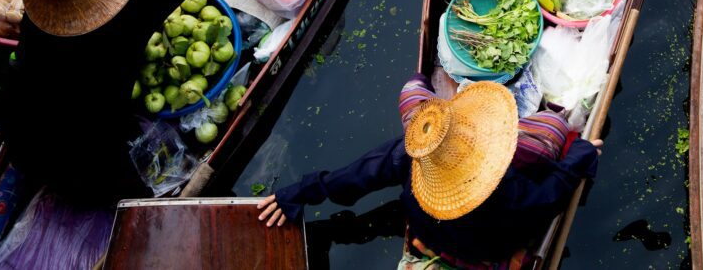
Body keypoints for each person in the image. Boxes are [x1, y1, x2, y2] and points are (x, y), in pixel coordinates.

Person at [1, 0, 255, 204]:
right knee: (110, 181)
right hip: (82, 145)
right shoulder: (128, 14)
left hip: (20, 127)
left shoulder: (40, 14)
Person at [257, 74, 602, 268]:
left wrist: (299, 192)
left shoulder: (411, 155)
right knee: (554, 128)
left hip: (432, 232)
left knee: (413, 89)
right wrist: (581, 157)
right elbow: (549, 196)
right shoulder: (508, 191)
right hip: (485, 250)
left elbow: (356, 175)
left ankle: (423, 87)